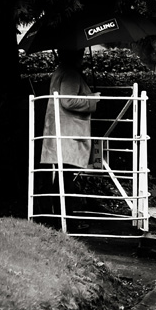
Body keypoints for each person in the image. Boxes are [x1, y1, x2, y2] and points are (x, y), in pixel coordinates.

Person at [38, 48, 100, 226]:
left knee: (62, 177)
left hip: (60, 130)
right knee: (66, 178)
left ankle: (60, 218)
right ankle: (67, 221)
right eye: (81, 54)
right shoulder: (70, 74)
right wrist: (92, 99)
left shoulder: (61, 71)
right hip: (69, 132)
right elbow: (68, 101)